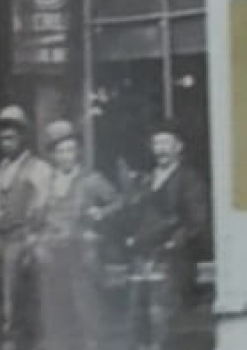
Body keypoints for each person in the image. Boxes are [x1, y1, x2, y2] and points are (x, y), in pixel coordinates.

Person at [31, 119, 120, 350]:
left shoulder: (91, 180)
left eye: (70, 150)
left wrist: (100, 213)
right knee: (55, 313)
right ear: (52, 155)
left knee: (87, 310)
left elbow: (120, 202)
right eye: (60, 151)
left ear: (78, 152)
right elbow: (36, 219)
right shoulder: (47, 183)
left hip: (81, 255)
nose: (66, 156)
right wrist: (38, 241)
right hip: (52, 258)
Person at [123, 117, 208, 350]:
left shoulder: (189, 179)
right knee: (136, 318)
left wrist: (173, 244)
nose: (160, 149)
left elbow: (196, 223)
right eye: (156, 144)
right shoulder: (146, 180)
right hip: (144, 257)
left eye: (166, 143)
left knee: (163, 319)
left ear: (178, 147)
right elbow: (135, 218)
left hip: (173, 258)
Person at [0, 105, 50, 350]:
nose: (6, 142)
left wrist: (32, 238)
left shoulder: (38, 169)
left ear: (23, 137)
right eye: (2, 137)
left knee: (13, 306)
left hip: (20, 240)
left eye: (11, 136)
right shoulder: (3, 168)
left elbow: (42, 206)